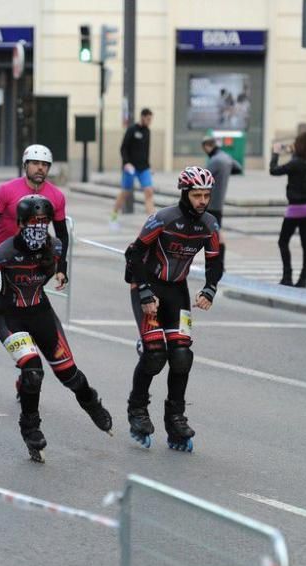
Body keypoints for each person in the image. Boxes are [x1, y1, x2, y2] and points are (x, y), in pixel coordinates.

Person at [0, 194, 112, 462]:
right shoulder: (4, 251)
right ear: (20, 223)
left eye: (44, 221)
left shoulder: (56, 246)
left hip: (41, 312)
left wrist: (61, 272)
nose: (39, 226)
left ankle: (91, 402)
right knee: (32, 372)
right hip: (11, 315)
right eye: (32, 221)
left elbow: (57, 266)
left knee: (69, 374)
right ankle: (31, 428)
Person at [124, 166, 223, 452]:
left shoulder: (210, 225)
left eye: (206, 195)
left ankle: (175, 418)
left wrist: (209, 288)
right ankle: (137, 409)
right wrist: (144, 292)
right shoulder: (162, 219)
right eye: (197, 195)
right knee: (156, 355)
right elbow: (134, 255)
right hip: (148, 287)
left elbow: (215, 261)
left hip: (177, 291)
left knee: (181, 355)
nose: (203, 200)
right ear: (185, 194)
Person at [0, 144, 68, 396]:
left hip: (35, 265)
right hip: (4, 263)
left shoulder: (56, 197)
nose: (40, 168)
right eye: (35, 163)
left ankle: (26, 372)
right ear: (25, 165)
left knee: (29, 315)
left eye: (45, 165)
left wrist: (62, 268)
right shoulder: (6, 191)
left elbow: (62, 235)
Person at [270, 132, 306, 287]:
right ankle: (303, 277)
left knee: (283, 241)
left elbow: (274, 170)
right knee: (305, 243)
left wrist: (275, 153)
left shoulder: (295, 163)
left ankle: (287, 275)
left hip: (295, 208)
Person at [202, 136, 243, 267]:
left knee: (214, 233)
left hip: (211, 201)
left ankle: (218, 263)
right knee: (216, 231)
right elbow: (238, 168)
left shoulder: (214, 160)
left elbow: (203, 178)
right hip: (219, 201)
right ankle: (219, 263)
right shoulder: (226, 157)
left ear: (207, 147)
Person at [110, 108, 155, 227]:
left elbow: (146, 151)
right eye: (148, 119)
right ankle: (114, 214)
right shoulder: (132, 130)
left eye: (151, 119)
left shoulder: (147, 131)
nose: (150, 121)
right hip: (130, 167)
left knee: (149, 191)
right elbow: (123, 148)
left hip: (143, 168)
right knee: (125, 192)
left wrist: (149, 166)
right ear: (142, 117)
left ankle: (153, 221)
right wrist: (126, 163)